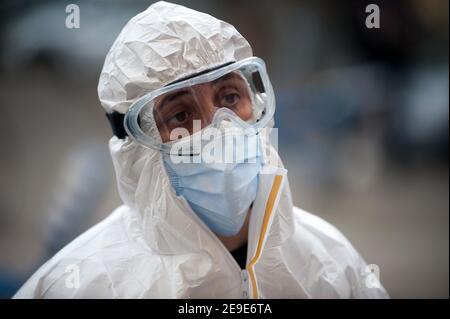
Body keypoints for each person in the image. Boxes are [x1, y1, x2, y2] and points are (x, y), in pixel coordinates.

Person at [14, 1, 389, 298]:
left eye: (230, 96)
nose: (217, 128)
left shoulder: (331, 264)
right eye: (180, 114)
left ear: (256, 102)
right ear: (136, 152)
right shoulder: (81, 285)